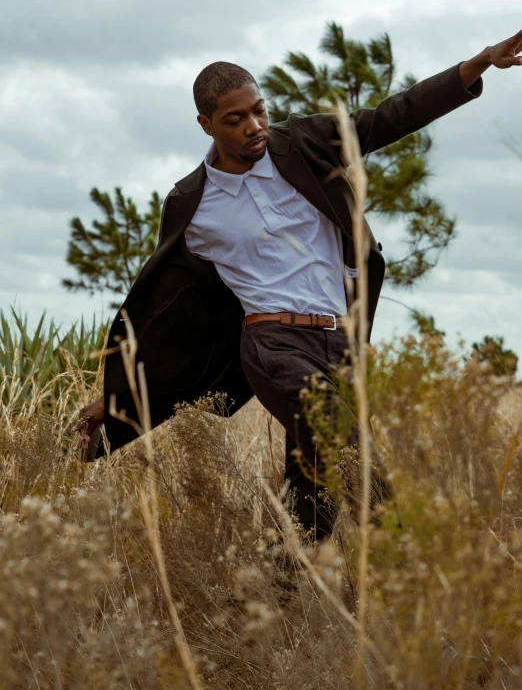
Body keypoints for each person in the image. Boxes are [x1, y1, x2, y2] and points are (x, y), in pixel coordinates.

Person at [77, 31, 522, 540]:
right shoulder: (191, 206)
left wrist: (477, 65)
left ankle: (272, 598)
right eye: (235, 119)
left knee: (312, 490)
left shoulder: (302, 146)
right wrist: (119, 400)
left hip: (341, 344)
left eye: (258, 111)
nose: (254, 126)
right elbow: (171, 319)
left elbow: (389, 117)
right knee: (347, 449)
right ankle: (407, 564)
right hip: (273, 344)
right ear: (206, 124)